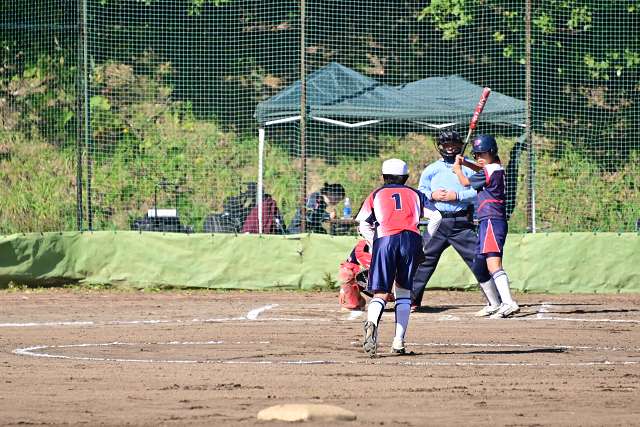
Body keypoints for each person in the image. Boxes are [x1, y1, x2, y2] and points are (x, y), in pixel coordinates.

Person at [356, 158, 442, 357]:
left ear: (383, 177)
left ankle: (371, 325)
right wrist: (423, 241)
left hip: (385, 239)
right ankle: (398, 342)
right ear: (406, 177)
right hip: (411, 240)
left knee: (380, 293)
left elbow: (363, 224)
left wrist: (374, 243)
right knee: (403, 293)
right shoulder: (416, 194)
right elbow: (436, 217)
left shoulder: (376, 194)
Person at [411, 130, 498, 316]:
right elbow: (420, 193)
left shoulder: (468, 167)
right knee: (425, 260)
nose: (450, 149)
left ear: (460, 146)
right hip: (437, 223)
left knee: (478, 261)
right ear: (441, 147)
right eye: (446, 146)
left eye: (454, 146)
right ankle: (412, 298)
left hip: (461, 223)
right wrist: (432, 195)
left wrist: (457, 195)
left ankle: (496, 300)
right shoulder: (431, 169)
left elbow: (481, 191)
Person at [452, 134, 519, 319]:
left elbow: (466, 182)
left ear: (493, 152)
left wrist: (458, 170)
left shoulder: (490, 171)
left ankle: (508, 303)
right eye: (477, 154)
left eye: (483, 153)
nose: (479, 157)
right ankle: (494, 304)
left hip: (492, 220)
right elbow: (482, 167)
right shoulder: (493, 168)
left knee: (493, 263)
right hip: (486, 221)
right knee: (479, 266)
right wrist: (466, 163)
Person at [338, 240, 371, 311]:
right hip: (371, 285)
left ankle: (400, 300)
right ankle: (357, 302)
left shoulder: (394, 241)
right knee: (346, 269)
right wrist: (343, 290)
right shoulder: (362, 246)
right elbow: (349, 265)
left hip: (393, 287)